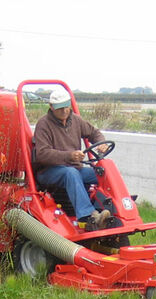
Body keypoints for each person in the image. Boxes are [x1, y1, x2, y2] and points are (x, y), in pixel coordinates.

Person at [33, 85, 111, 231]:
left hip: (73, 168)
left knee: (104, 172)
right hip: (48, 171)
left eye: (66, 107)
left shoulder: (75, 120)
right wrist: (69, 156)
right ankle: (89, 217)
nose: (64, 111)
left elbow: (94, 133)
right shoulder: (43, 125)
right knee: (71, 173)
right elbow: (42, 154)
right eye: (60, 108)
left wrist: (101, 143)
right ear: (51, 107)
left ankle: (108, 211)